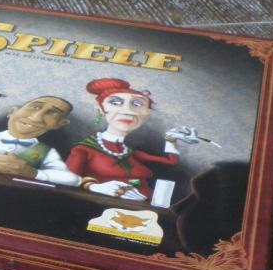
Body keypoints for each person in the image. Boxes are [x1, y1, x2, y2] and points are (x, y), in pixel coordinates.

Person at [66, 78, 198, 201]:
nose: (128, 111)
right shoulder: (83, 149)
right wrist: (93, 186)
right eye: (115, 103)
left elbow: (171, 161)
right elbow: (66, 180)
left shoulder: (130, 152)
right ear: (100, 110)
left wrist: (171, 138)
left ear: (146, 114)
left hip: (149, 208)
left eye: (137, 104)